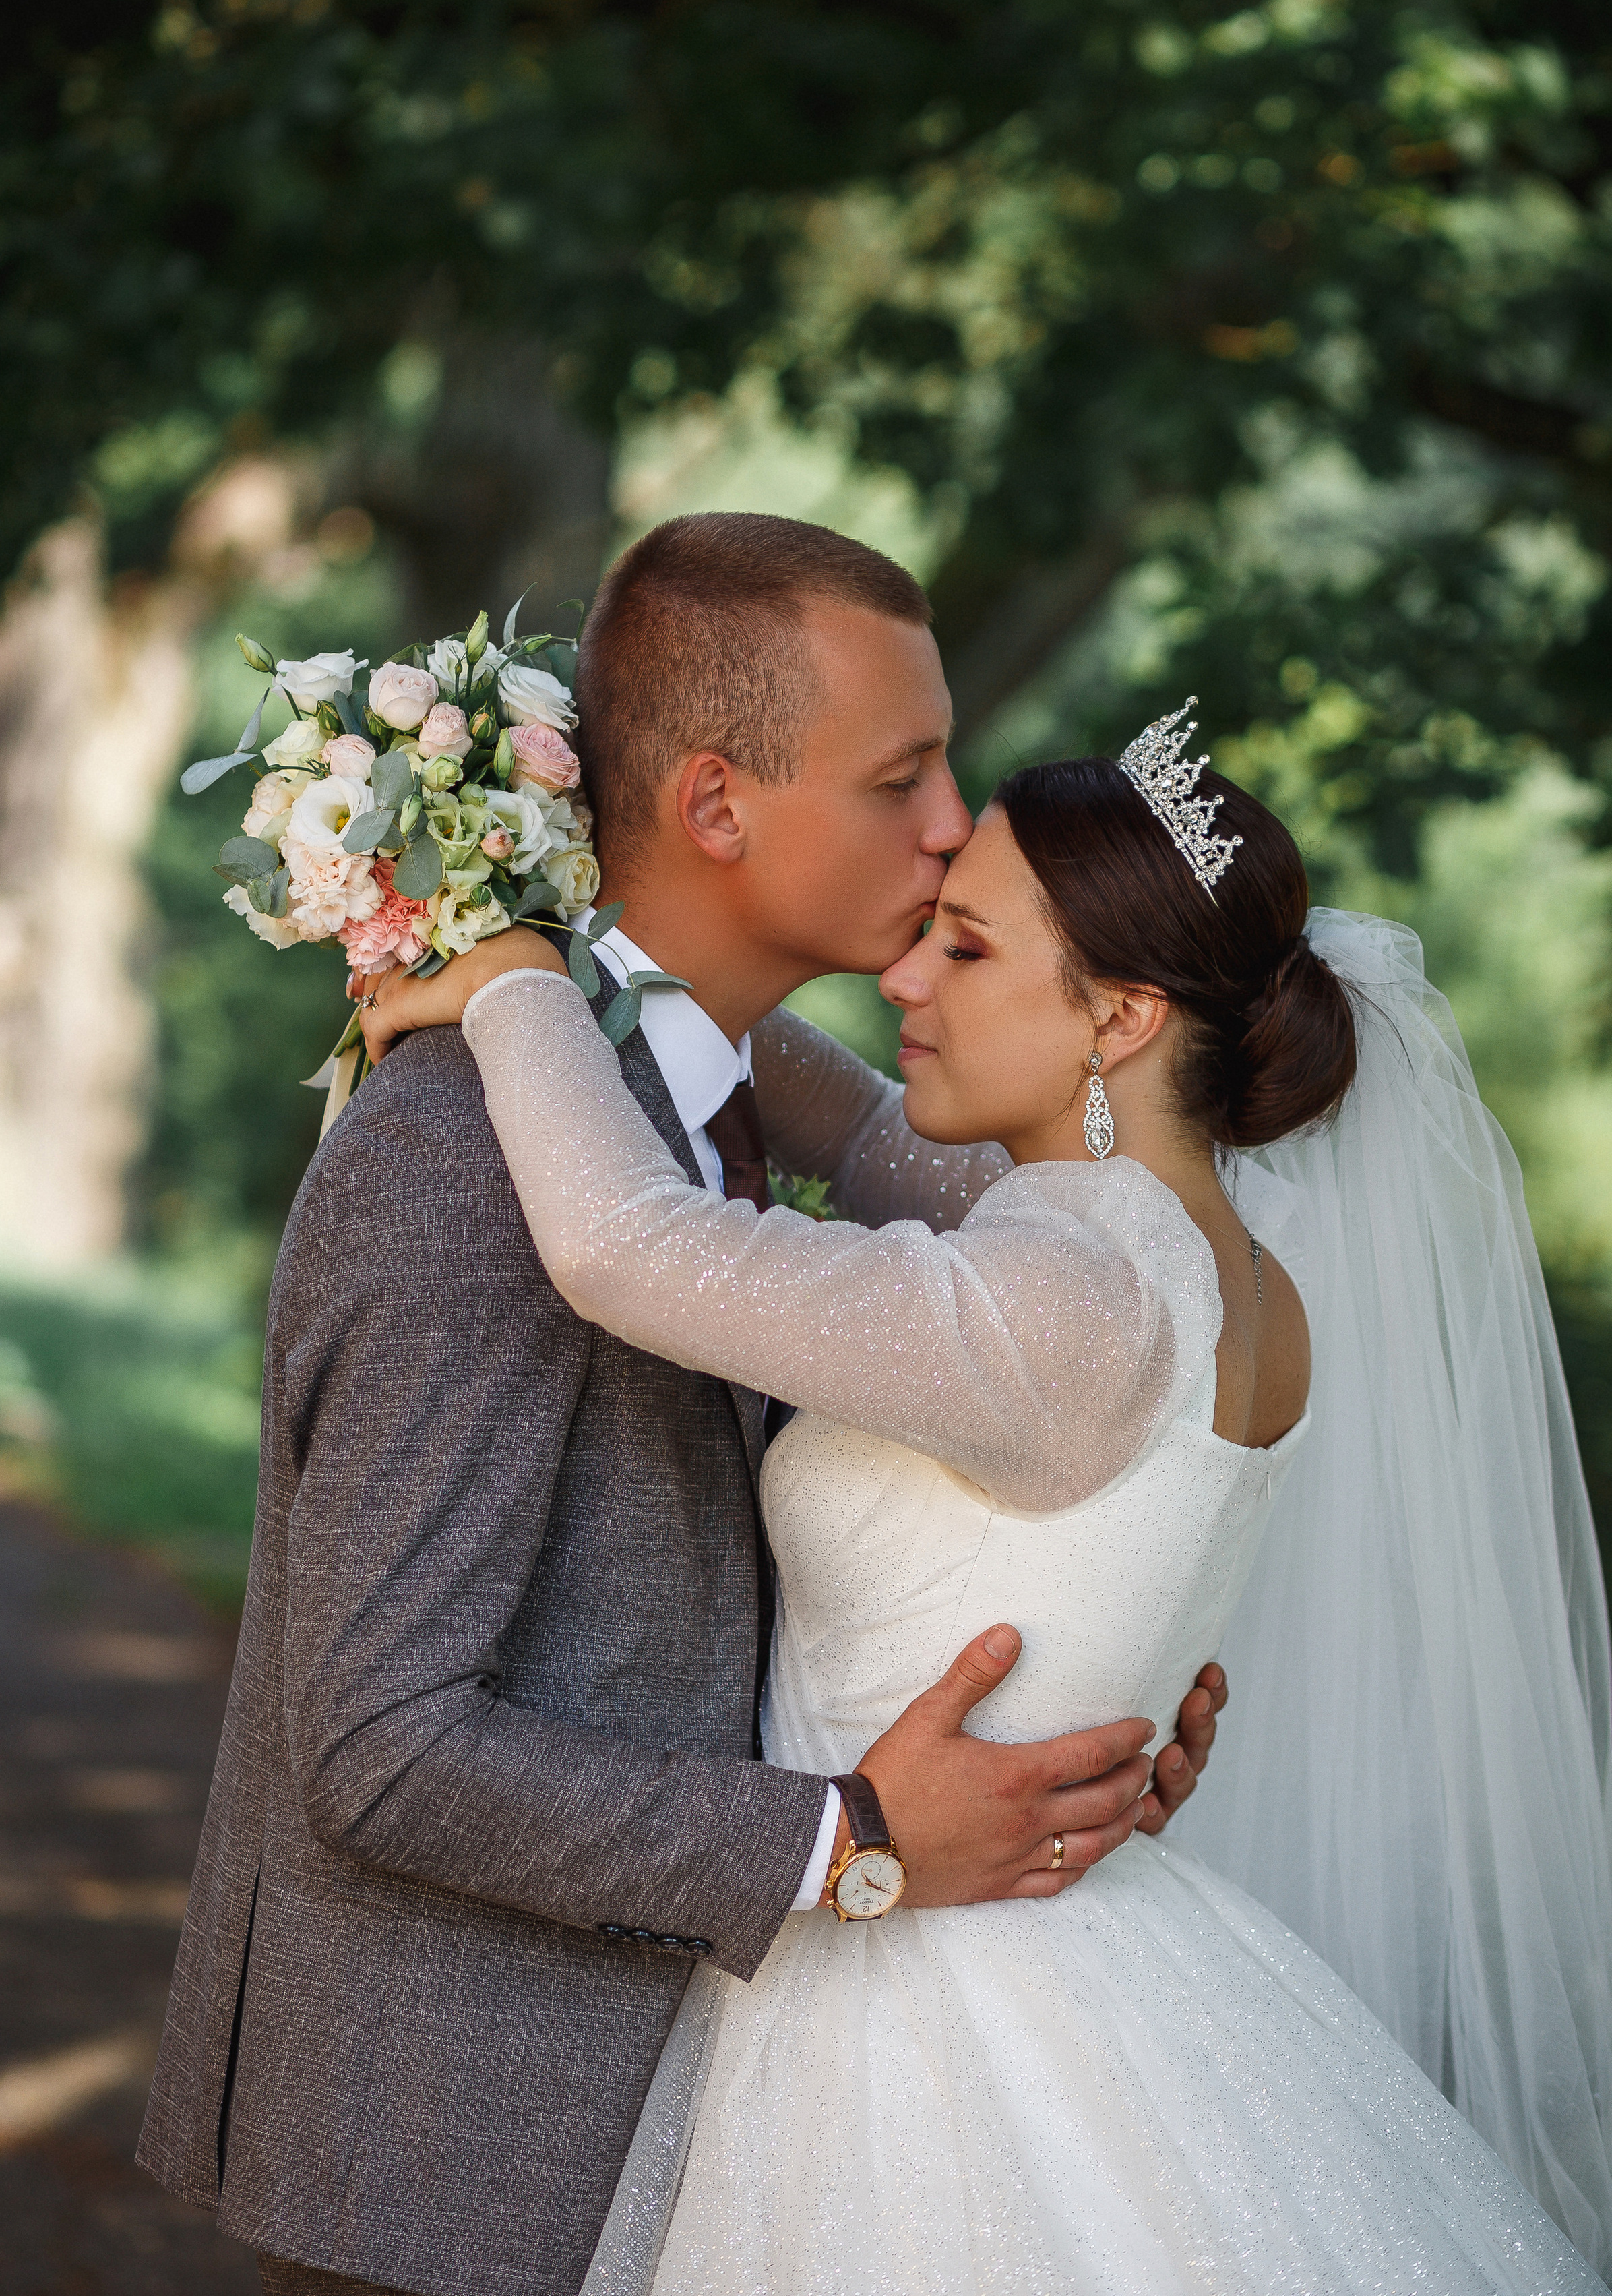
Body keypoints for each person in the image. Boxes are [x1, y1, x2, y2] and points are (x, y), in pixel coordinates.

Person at [363, 711, 1612, 2289]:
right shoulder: (1225, 1266)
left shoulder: (1071, 1301)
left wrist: (520, 980)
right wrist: (642, 962)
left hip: (920, 2022)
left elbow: (627, 1250)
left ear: (1121, 1014)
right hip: (1103, 1965)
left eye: (962, 948)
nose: (902, 978)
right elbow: (866, 1133)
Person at [135, 517, 1230, 2296]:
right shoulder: (462, 1162)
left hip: (714, 2133)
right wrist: (852, 1843)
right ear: (721, 808)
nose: (956, 822)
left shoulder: (685, 1110)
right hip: (456, 2176)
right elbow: (381, 1750)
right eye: (905, 776)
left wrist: (1100, 1690)